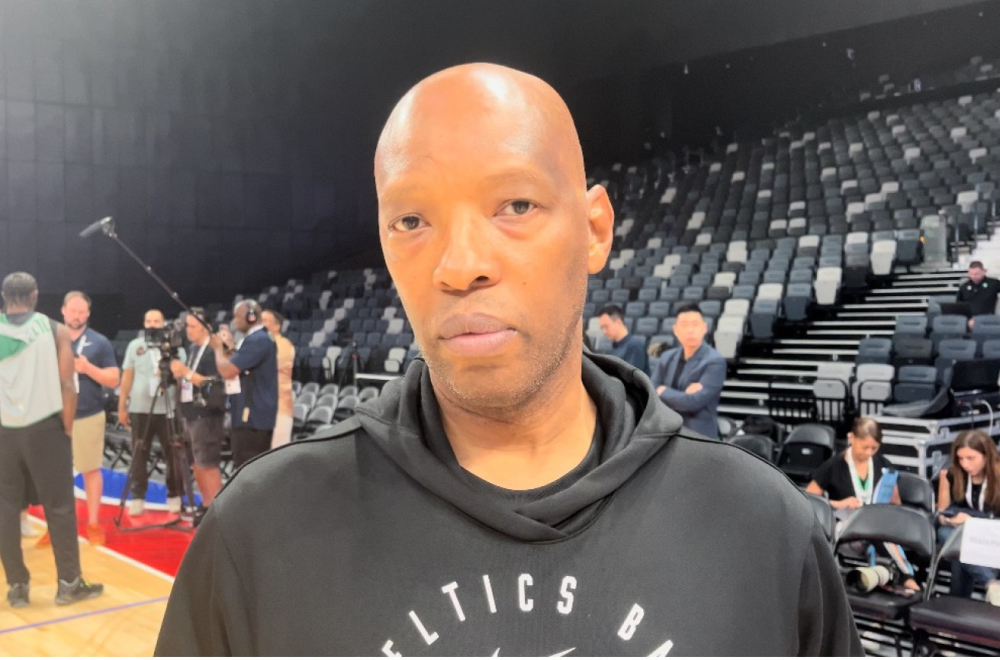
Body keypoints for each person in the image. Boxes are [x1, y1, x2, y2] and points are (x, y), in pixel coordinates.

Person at [156, 64, 860, 656]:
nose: (459, 265)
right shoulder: (258, 531)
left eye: (515, 205)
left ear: (595, 230)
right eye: (411, 220)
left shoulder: (765, 532)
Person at [0, 273, 104, 607]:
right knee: (59, 507)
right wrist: (66, 430)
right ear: (35, 296)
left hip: (4, 431)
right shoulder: (54, 329)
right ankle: (69, 584)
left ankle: (17, 587)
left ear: (4, 296)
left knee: (5, 509)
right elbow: (68, 385)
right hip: (45, 428)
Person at [41, 291, 119, 547]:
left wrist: (88, 368)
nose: (77, 316)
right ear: (63, 310)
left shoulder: (99, 342)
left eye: (82, 311)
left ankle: (93, 523)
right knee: (55, 473)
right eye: (73, 311)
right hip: (54, 415)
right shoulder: (48, 338)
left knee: (90, 469)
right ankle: (55, 527)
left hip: (88, 414)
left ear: (88, 313)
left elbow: (113, 379)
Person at [806, 417, 919, 591]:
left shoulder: (883, 465)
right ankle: (907, 577)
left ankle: (881, 579)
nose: (869, 452)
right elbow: (810, 500)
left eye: (874, 448)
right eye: (864, 447)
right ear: (852, 438)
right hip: (846, 527)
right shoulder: (834, 466)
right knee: (878, 532)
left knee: (879, 530)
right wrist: (839, 503)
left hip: (877, 526)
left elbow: (896, 503)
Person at [119, 309, 186, 516]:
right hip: (140, 408)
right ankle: (138, 497)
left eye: (157, 321)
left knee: (172, 454)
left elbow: (184, 378)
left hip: (168, 409)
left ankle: (174, 495)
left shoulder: (176, 348)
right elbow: (127, 377)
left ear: (164, 323)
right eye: (149, 321)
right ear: (144, 323)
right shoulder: (135, 346)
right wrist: (122, 405)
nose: (153, 324)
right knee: (139, 453)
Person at [209, 299, 277, 468]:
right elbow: (239, 363)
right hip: (251, 416)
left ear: (251, 317)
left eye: (237, 317)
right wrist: (229, 347)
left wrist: (217, 349)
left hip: (252, 418)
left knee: (247, 469)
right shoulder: (257, 339)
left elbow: (227, 371)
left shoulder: (258, 340)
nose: (235, 322)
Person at [170, 309, 226, 510]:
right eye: (187, 326)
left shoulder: (213, 351)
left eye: (193, 326)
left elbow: (215, 385)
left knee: (208, 463)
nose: (188, 330)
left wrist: (186, 372)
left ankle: (219, 512)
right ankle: (207, 504)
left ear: (207, 328)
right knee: (195, 462)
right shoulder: (193, 349)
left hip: (207, 415)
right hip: (190, 412)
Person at [935, 430, 1000, 604]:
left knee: (959, 547)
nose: (965, 464)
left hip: (994, 536)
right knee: (945, 533)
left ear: (987, 456)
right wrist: (948, 519)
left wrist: (974, 522)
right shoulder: (952, 474)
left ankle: (957, 605)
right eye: (960, 458)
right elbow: (942, 513)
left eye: (971, 458)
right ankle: (991, 584)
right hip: (965, 535)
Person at [649, 303, 726, 438]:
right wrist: (682, 396)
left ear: (704, 328)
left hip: (698, 435)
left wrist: (663, 391)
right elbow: (650, 391)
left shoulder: (715, 361)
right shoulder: (667, 357)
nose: (690, 330)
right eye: (684, 325)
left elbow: (693, 402)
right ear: (676, 330)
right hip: (667, 431)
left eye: (695, 324)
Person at [261, 309, 295, 448]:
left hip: (280, 409)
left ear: (277, 326)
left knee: (277, 453)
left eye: (264, 321)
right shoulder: (258, 345)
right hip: (261, 409)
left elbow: (267, 366)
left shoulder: (284, 344)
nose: (260, 324)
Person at [596, 304, 648, 374]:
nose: (604, 332)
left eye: (606, 327)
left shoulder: (635, 346)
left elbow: (631, 377)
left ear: (618, 322)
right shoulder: (611, 349)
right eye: (602, 328)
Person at [956, 260, 1000, 326]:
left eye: (977, 274)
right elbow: (958, 305)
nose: (974, 276)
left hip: (988, 318)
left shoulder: (994, 283)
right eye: (971, 274)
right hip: (969, 320)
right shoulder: (964, 287)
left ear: (984, 271)